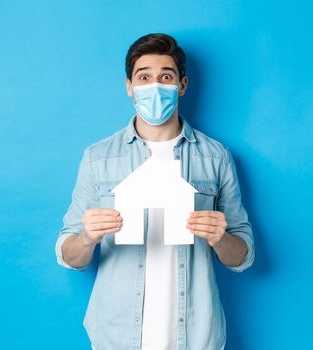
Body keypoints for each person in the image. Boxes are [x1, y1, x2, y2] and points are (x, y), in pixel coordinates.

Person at [55, 33, 255, 350]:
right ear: (129, 87)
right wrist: (87, 237)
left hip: (194, 336)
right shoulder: (98, 157)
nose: (155, 86)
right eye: (144, 77)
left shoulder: (216, 157)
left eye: (166, 77)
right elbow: (68, 255)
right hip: (116, 336)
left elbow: (243, 256)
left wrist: (221, 238)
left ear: (182, 85)